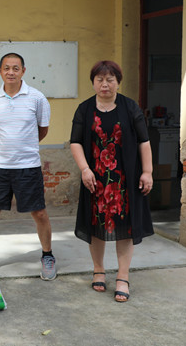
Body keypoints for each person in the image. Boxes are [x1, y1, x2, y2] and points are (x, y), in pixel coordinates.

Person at [70, 60, 153, 302]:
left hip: (125, 179)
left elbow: (144, 141)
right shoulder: (84, 109)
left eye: (110, 80)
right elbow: (75, 142)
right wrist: (84, 169)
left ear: (118, 82)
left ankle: (123, 277)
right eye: (100, 80)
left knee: (125, 227)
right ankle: (98, 270)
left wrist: (147, 172)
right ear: (93, 82)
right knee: (95, 225)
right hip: (95, 179)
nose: (105, 84)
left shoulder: (130, 107)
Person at [0, 52, 57, 281]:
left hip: (28, 166)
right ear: (0, 71)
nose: (10, 72)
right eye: (6, 68)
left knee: (39, 212)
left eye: (15, 68)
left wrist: (24, 146)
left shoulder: (37, 98)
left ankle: (47, 255)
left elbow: (42, 130)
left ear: (23, 71)